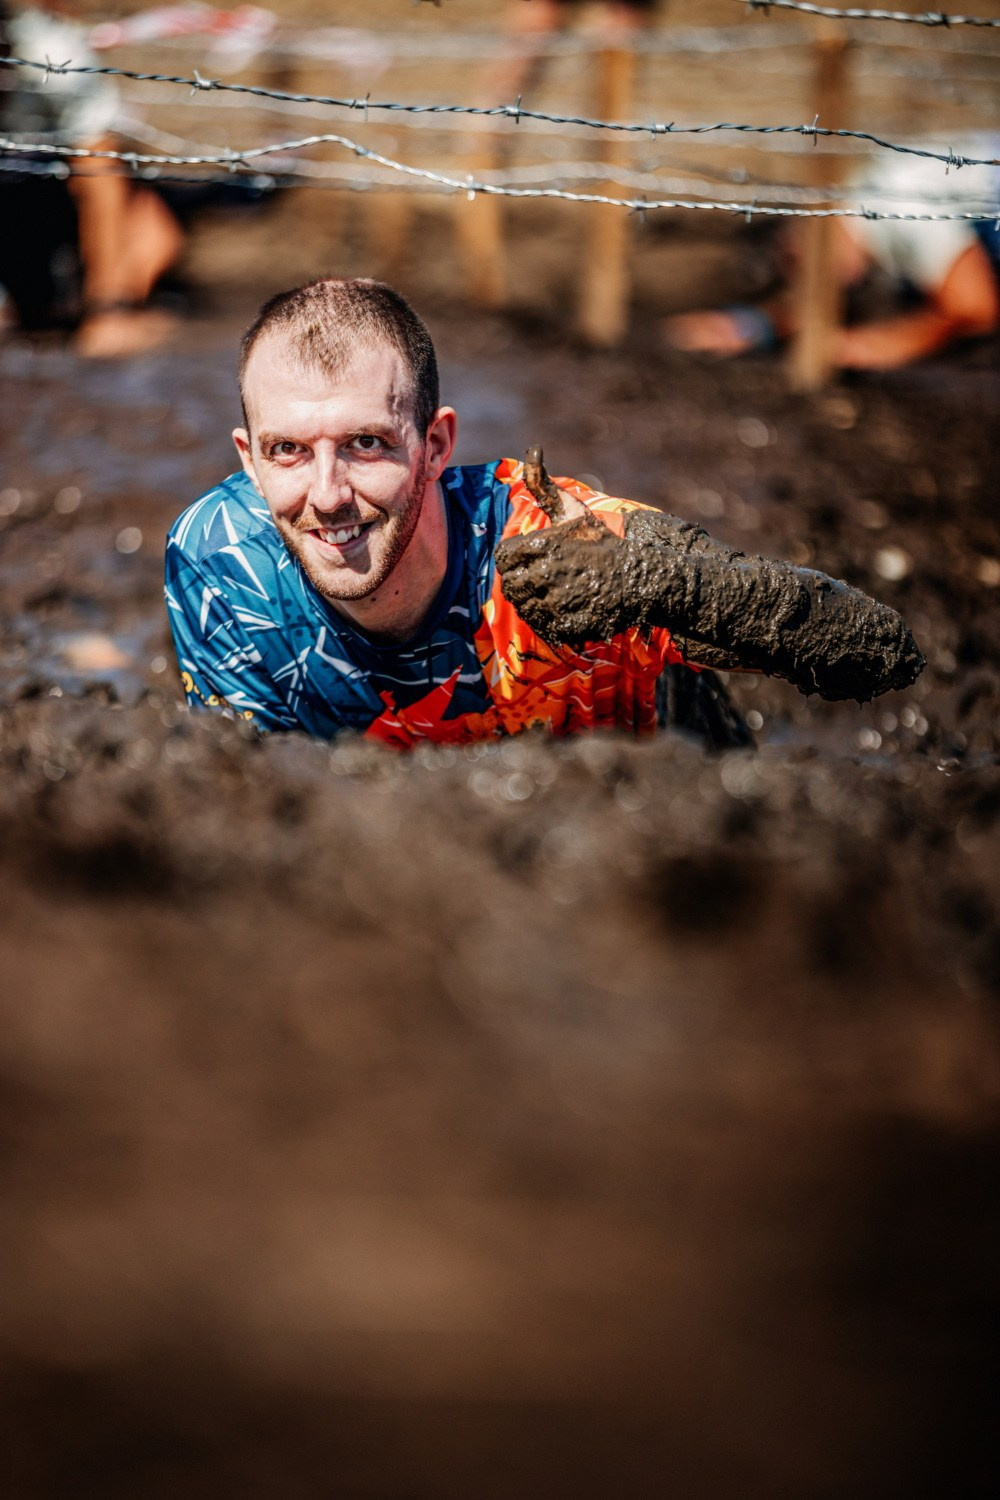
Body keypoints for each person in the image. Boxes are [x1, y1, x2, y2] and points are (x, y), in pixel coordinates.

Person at [165, 277, 923, 751]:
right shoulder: (222, 565)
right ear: (248, 458)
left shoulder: (558, 549)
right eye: (289, 451)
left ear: (435, 446)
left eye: (367, 444)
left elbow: (880, 653)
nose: (328, 494)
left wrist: (669, 585)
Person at [664, 154, 1000, 370]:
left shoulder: (901, 205)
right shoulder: (861, 211)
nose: (803, 279)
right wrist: (749, 326)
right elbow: (821, 297)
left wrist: (867, 346)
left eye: (795, 264)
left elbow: (977, 310)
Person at [0, 2, 183, 355]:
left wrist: (109, 306)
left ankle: (117, 300)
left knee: (153, 238)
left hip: (50, 189)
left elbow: (101, 171)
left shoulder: (53, 56)